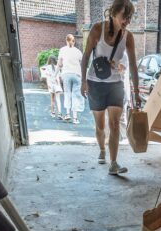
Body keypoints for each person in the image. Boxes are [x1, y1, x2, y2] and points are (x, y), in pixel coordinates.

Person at [81, 0, 141, 175]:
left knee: (114, 124)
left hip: (116, 84)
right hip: (96, 83)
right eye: (125, 16)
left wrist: (136, 91)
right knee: (100, 125)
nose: (127, 21)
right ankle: (102, 149)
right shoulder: (97, 29)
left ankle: (113, 163)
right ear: (114, 13)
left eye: (130, 18)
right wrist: (84, 81)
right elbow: (85, 56)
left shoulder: (128, 37)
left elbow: (133, 66)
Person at [58, 34, 84, 124]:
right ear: (74, 41)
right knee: (75, 95)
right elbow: (82, 64)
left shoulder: (62, 50)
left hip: (66, 74)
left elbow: (59, 64)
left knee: (67, 94)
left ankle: (68, 114)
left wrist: (55, 74)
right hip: (77, 75)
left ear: (66, 40)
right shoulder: (78, 52)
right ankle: (75, 118)